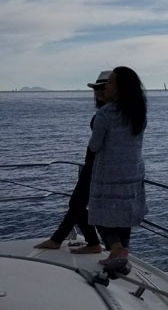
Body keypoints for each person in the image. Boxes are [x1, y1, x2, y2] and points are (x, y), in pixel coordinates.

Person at [34, 70, 111, 254]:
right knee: (79, 205)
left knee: (77, 204)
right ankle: (89, 242)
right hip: (93, 166)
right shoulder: (111, 113)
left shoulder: (107, 114)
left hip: (95, 167)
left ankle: (62, 240)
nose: (98, 92)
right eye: (96, 88)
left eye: (103, 88)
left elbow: (97, 145)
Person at [87, 66, 148, 271]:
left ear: (121, 87)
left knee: (98, 214)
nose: (107, 85)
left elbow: (95, 145)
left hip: (109, 172)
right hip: (133, 172)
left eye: (111, 82)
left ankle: (116, 249)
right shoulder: (138, 113)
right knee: (125, 216)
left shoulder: (105, 114)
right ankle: (121, 256)